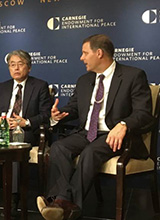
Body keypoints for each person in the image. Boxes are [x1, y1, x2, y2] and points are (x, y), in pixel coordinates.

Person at [36, 34, 154, 220]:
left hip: (115, 136)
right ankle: (65, 203)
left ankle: (60, 205)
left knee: (91, 152)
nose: (81, 58)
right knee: (59, 147)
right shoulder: (84, 80)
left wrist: (124, 124)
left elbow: (144, 113)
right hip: (87, 133)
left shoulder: (133, 76)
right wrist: (59, 114)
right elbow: (74, 108)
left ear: (99, 53)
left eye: (84, 53)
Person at [0, 50, 52, 216]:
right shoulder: (1, 87)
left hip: (25, 130)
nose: (16, 68)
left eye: (20, 64)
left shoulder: (40, 86)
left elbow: (45, 115)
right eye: (12, 65)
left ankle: (13, 197)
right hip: (1, 130)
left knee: (14, 145)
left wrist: (25, 122)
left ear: (29, 67)